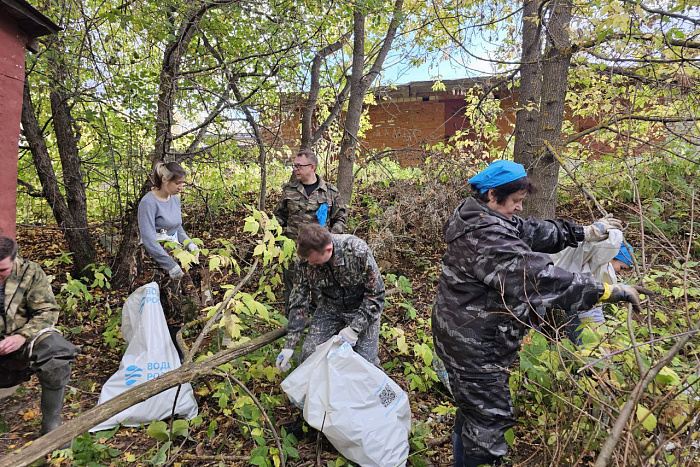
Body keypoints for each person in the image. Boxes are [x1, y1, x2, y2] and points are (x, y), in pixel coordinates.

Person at [431, 160, 652, 467]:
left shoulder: (479, 215)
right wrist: (609, 291)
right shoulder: (489, 239)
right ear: (493, 195)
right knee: (489, 423)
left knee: (473, 411)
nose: (519, 208)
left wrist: (585, 233)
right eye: (516, 202)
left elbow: (532, 230)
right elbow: (543, 280)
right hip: (474, 346)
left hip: (464, 334)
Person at [275, 224, 385, 372]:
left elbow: (376, 295)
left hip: (362, 309)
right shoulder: (304, 260)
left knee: (366, 363)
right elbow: (299, 302)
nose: (310, 264)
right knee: (309, 354)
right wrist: (289, 345)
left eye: (314, 261)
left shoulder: (356, 251)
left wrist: (354, 329)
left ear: (328, 250)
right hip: (330, 309)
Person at [0, 235, 79, 439]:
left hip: (23, 339)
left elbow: (46, 311)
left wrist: (22, 336)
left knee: (57, 352)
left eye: (2, 271)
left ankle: (51, 427)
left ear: (14, 259)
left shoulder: (30, 272)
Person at [135, 161, 204, 355]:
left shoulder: (174, 199)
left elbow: (177, 227)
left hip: (174, 255)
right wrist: (170, 265)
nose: (181, 187)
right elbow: (149, 239)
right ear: (165, 180)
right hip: (153, 260)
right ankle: (150, 350)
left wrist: (189, 243)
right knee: (156, 304)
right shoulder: (148, 203)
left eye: (183, 183)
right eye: (178, 183)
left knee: (177, 305)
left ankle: (176, 352)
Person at [273, 149, 347, 314]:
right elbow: (278, 217)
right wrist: (279, 238)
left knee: (320, 291)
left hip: (318, 251)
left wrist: (330, 238)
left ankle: (318, 327)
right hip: (293, 249)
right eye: (294, 166)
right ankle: (292, 327)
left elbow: (341, 218)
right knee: (292, 291)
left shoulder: (330, 192)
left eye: (299, 166)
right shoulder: (289, 191)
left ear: (312, 167)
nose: (295, 169)